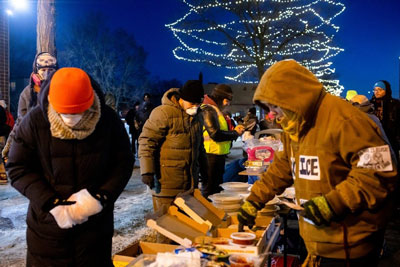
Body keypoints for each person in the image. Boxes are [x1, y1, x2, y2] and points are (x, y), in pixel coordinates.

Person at [238, 60, 397, 266]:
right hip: (318, 242)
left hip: (349, 246)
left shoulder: (345, 120)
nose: (271, 114)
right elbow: (281, 168)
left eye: (274, 105)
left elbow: (379, 173)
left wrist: (333, 203)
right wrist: (254, 200)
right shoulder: (294, 125)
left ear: (294, 97)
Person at [6, 67, 134, 266]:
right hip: (48, 231)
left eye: (78, 112)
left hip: (94, 230)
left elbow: (122, 162)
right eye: (64, 112)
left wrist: (103, 196)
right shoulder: (35, 121)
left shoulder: (107, 120)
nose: (71, 119)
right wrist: (50, 202)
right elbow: (17, 167)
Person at [139, 80, 207, 214]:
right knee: (168, 226)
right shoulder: (163, 113)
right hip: (166, 185)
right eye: (192, 103)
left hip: (189, 186)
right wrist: (147, 171)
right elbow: (147, 141)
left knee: (186, 228)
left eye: (198, 104)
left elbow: (199, 146)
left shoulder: (198, 117)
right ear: (182, 99)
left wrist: (205, 169)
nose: (195, 107)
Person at [2, 52, 58, 160]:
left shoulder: (62, 90)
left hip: (57, 147)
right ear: (36, 72)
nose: (47, 74)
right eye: (43, 70)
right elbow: (20, 122)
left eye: (50, 70)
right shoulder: (27, 94)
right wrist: (9, 147)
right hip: (36, 149)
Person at [200, 84, 245, 198]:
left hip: (217, 155)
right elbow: (215, 134)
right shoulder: (208, 109)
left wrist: (234, 131)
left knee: (216, 189)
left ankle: (214, 213)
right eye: (227, 100)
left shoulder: (215, 110)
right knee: (210, 190)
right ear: (220, 98)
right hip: (210, 156)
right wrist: (235, 133)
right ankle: (207, 213)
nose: (228, 104)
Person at [370, 80, 400, 161]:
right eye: (375, 90)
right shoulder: (370, 104)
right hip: (375, 138)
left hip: (391, 138)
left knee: (392, 161)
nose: (377, 92)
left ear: (386, 90)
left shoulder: (395, 104)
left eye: (380, 89)